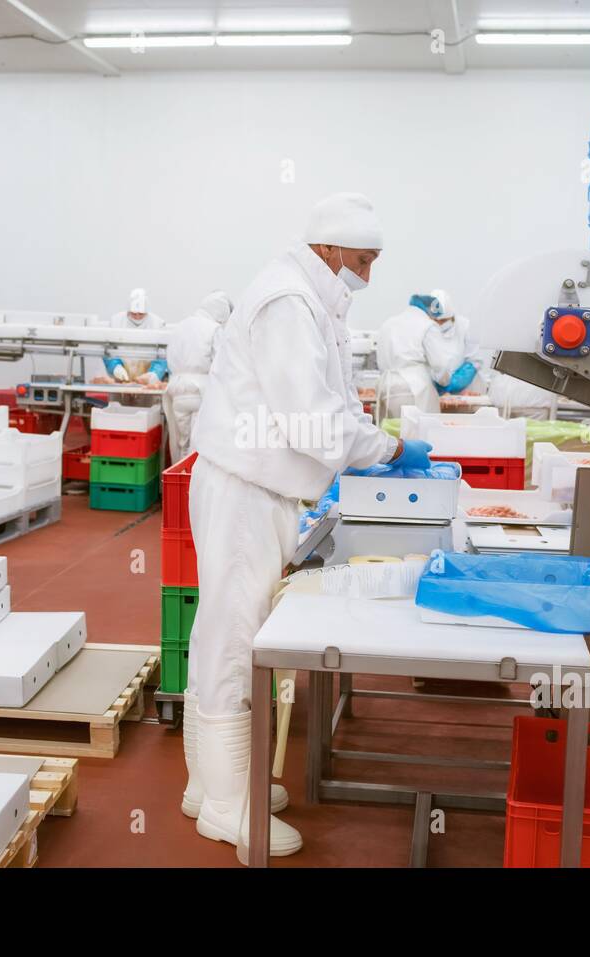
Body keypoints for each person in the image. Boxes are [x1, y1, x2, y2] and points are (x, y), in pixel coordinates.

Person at [185, 193, 432, 859]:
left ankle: (209, 784)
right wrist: (386, 450)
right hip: (246, 489)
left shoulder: (310, 297)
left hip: (258, 484)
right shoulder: (290, 301)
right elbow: (312, 418)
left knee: (221, 628)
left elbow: (328, 400)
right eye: (361, 260)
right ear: (329, 250)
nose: (367, 276)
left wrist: (367, 446)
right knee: (234, 636)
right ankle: (228, 808)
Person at [375, 289, 476, 422]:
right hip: (415, 389)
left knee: (392, 434)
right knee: (420, 434)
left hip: (386, 387)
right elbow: (440, 365)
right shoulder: (427, 325)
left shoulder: (388, 323)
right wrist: (445, 382)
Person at [162, 290, 234, 464]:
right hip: (201, 391)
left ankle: (177, 483)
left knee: (180, 442)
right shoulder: (213, 329)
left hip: (176, 391)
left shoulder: (180, 327)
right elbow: (221, 363)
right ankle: (190, 487)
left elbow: (169, 359)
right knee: (198, 445)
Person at [105, 288, 168, 384]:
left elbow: (163, 356)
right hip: (120, 382)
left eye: (141, 314)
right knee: (119, 399)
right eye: (134, 314)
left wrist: (154, 374)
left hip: (148, 384)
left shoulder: (158, 323)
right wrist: (115, 367)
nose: (137, 317)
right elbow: (107, 350)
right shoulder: (116, 321)